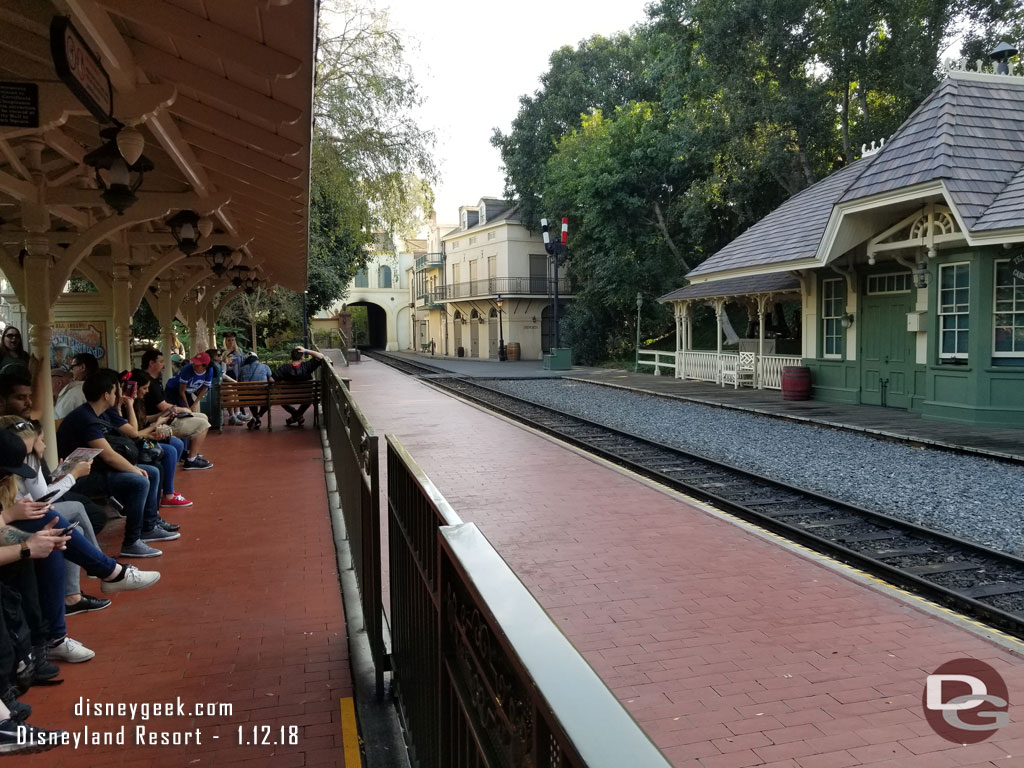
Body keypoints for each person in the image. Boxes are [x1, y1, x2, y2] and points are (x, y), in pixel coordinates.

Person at [57, 369, 180, 558]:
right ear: (107, 395)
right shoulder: (86, 419)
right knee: (140, 480)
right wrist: (134, 470)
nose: (119, 395)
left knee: (151, 472)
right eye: (116, 391)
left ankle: (148, 526)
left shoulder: (100, 412)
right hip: (78, 477)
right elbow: (109, 456)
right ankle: (131, 542)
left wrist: (135, 468)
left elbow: (129, 434)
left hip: (94, 468)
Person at [123, 370, 192, 509]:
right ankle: (168, 495)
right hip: (137, 443)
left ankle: (167, 487)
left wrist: (161, 415)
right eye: (144, 388)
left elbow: (143, 420)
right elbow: (134, 434)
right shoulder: (126, 407)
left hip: (144, 437)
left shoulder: (138, 402)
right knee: (170, 451)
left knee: (177, 443)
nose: (147, 391)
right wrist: (157, 424)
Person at [139, 349, 213, 471]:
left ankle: (190, 453)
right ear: (152, 363)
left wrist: (188, 407)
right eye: (161, 361)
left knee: (202, 417)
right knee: (204, 424)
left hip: (164, 416)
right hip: (160, 421)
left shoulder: (154, 380)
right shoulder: (149, 382)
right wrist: (183, 408)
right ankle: (191, 460)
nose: (164, 365)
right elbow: (163, 406)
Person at [272, 346, 325, 427]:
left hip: (287, 398)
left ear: (292, 356)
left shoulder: (284, 368)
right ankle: (297, 416)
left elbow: (272, 379)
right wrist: (306, 350)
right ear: (302, 357)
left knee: (282, 400)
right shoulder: (307, 366)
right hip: (306, 397)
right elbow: (321, 356)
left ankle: (295, 416)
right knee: (308, 400)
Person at [54, 353, 99, 419]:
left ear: (82, 367)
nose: (71, 371)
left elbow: (60, 419)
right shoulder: (99, 388)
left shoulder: (75, 392)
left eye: (72, 367)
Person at [239, 353, 272, 430]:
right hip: (263, 396)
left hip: (247, 397)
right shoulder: (265, 367)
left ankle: (255, 418)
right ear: (257, 359)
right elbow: (271, 380)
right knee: (269, 399)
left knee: (251, 395)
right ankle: (257, 417)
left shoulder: (242, 369)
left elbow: (239, 381)